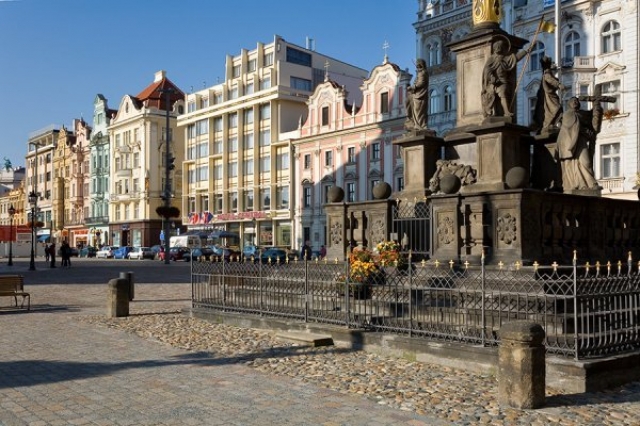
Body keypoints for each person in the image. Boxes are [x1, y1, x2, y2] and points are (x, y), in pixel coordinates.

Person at [556, 96, 606, 191]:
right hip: (569, 142)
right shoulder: (567, 114)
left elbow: (592, 117)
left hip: (580, 141)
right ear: (569, 104)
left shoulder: (582, 114)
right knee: (573, 164)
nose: (575, 102)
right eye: (573, 101)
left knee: (586, 162)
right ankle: (582, 184)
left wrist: (596, 106)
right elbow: (573, 126)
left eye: (576, 101)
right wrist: (586, 131)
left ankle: (591, 183)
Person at [481, 38, 529, 118]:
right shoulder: (492, 59)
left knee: (503, 94)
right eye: (497, 47)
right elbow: (487, 70)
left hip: (502, 82)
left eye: (500, 47)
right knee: (490, 95)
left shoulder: (506, 58)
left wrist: (525, 51)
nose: (498, 48)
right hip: (493, 82)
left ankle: (506, 112)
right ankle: (489, 112)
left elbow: (516, 58)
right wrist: (491, 78)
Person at [532, 56, 564, 134]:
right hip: (548, 96)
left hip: (550, 95)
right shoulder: (547, 73)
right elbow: (550, 79)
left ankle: (551, 124)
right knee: (556, 108)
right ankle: (548, 125)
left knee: (556, 109)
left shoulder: (547, 72)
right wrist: (559, 84)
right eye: (550, 64)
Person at [404, 58, 430, 131]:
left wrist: (412, 87)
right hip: (417, 95)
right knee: (416, 110)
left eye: (418, 66)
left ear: (421, 66)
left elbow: (421, 83)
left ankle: (420, 125)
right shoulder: (420, 73)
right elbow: (417, 82)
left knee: (419, 111)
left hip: (420, 95)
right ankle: (417, 124)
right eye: (417, 67)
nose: (417, 68)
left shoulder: (422, 73)